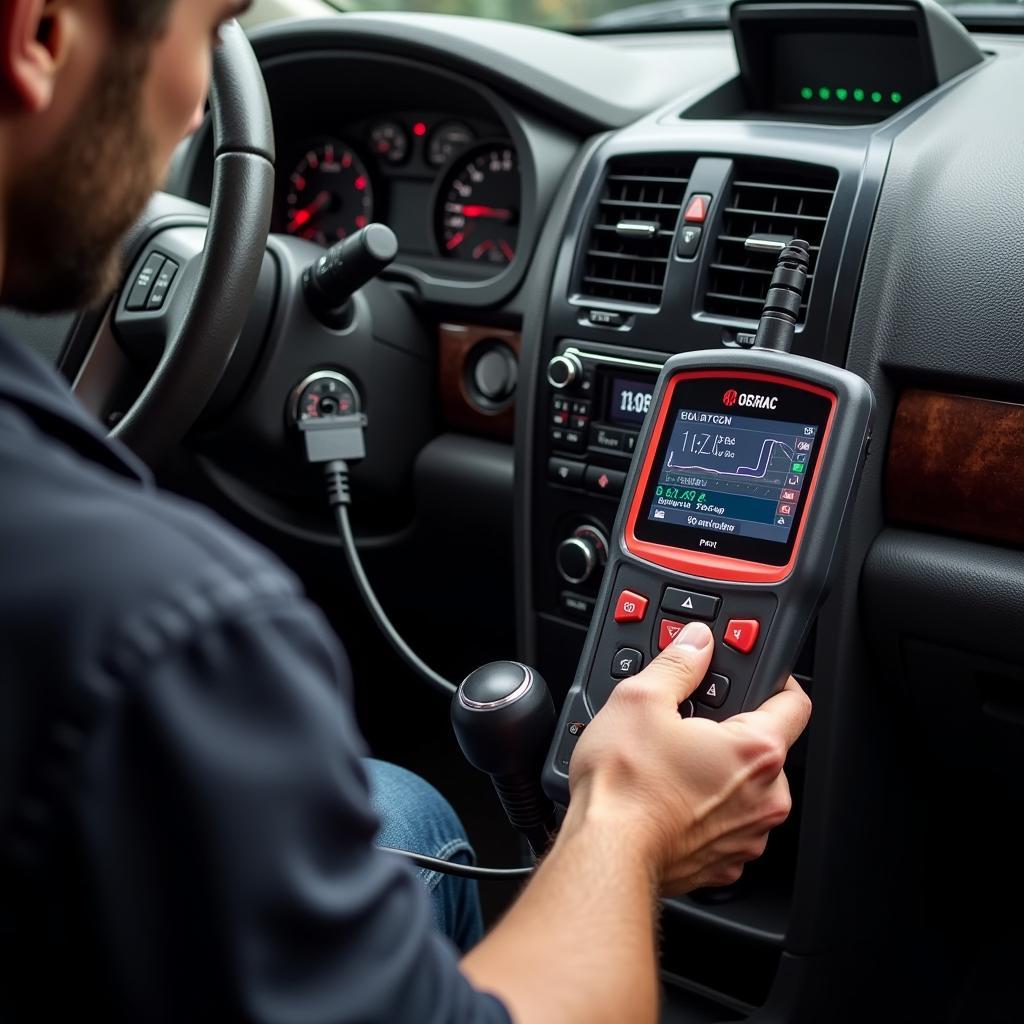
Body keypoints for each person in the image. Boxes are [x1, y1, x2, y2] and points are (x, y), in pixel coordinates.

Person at [0, 1, 812, 1021]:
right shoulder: (165, 635)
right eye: (208, 33)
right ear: (36, 34)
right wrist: (627, 819)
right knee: (416, 816)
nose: (200, 105)